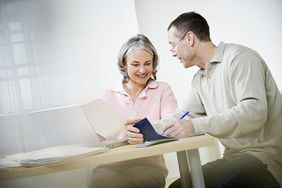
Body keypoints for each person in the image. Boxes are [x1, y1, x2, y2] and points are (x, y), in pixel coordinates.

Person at [154, 11, 282, 188]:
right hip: (233, 157)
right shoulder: (200, 79)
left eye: (173, 45)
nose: (173, 53)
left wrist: (196, 126)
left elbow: (254, 112)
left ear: (189, 38)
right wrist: (146, 129)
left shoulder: (240, 58)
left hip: (266, 157)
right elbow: (182, 115)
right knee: (178, 186)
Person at [88, 34, 178, 188]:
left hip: (149, 166)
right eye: (136, 64)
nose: (142, 70)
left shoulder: (162, 89)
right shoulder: (109, 93)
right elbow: (97, 137)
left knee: (133, 181)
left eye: (147, 63)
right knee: (102, 182)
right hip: (109, 165)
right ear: (124, 64)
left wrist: (144, 131)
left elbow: (172, 123)